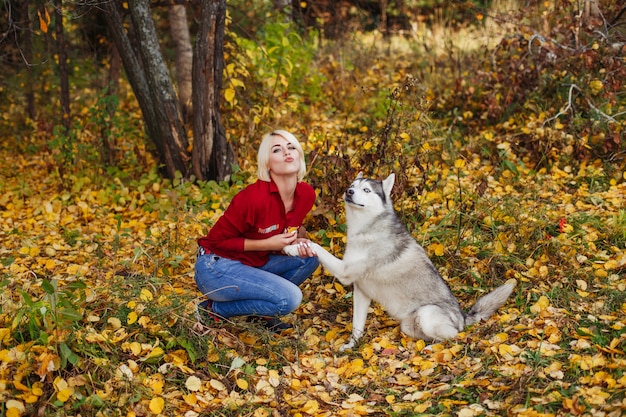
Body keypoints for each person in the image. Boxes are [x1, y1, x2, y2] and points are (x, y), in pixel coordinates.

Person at [194, 130, 319, 332]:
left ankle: (261, 315)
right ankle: (214, 310)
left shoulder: (306, 194)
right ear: (267, 163)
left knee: (310, 257)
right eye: (277, 150)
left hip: (253, 263)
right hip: (215, 267)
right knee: (290, 299)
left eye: (292, 147)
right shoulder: (253, 199)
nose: (287, 152)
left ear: (299, 155)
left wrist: (293, 244)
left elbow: (283, 233)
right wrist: (268, 244)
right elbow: (216, 242)